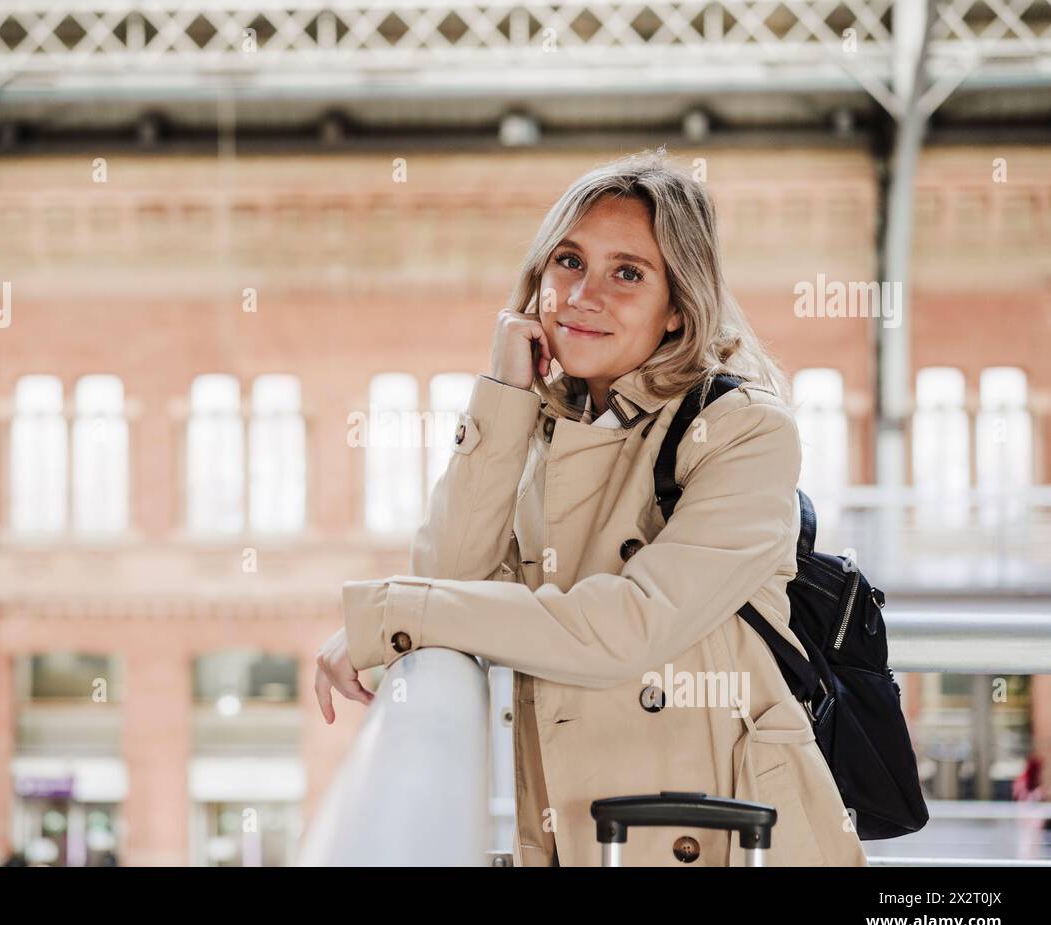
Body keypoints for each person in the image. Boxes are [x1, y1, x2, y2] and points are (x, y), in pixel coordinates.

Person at [315, 148, 868, 867]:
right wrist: (503, 398)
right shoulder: (547, 435)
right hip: (579, 835)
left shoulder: (746, 431)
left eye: (627, 273)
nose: (582, 294)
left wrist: (393, 612)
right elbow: (454, 574)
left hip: (731, 835)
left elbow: (624, 627)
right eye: (568, 261)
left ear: (677, 308)